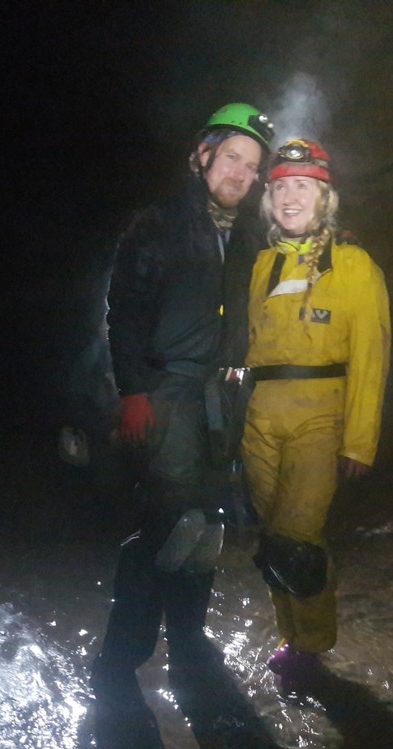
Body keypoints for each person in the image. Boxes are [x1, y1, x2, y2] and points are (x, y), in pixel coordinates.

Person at [91, 103, 274, 703]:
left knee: (209, 524)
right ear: (203, 156)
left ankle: (189, 641)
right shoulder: (159, 224)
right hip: (169, 392)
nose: (240, 174)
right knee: (171, 522)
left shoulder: (249, 235)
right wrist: (134, 391)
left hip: (224, 397)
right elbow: (124, 313)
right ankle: (124, 654)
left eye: (251, 167)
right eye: (232, 158)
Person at [241, 138, 391, 692]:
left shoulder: (353, 266)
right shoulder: (261, 264)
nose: (290, 197)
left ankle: (312, 644)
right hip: (260, 415)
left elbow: (372, 355)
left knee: (297, 537)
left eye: (302, 186)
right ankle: (292, 635)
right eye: (280, 187)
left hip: (321, 413)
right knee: (273, 537)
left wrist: (360, 440)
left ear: (324, 197)